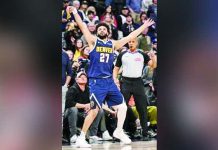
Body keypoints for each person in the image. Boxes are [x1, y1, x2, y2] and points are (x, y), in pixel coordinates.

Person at [70, 6, 154, 147]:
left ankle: (119, 131)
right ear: (97, 32)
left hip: (109, 81)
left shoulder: (113, 44)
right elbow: (82, 26)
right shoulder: (93, 41)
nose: (102, 30)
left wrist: (143, 26)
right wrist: (74, 12)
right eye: (99, 29)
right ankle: (81, 137)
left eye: (104, 29)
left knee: (123, 107)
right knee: (94, 111)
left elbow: (130, 36)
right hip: (97, 82)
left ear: (108, 32)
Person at [113, 38, 157, 141]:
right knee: (122, 107)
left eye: (133, 42)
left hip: (138, 82)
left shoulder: (142, 54)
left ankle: (145, 133)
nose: (131, 43)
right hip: (125, 82)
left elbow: (153, 65)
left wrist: (153, 56)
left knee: (142, 108)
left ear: (136, 43)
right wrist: (115, 79)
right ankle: (119, 132)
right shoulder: (122, 54)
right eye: (129, 42)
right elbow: (116, 68)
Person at [64, 71, 108, 144]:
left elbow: (95, 102)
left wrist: (90, 107)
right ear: (76, 79)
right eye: (81, 77)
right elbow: (69, 103)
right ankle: (73, 135)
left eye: (85, 77)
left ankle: (93, 135)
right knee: (73, 109)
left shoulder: (89, 89)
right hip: (72, 114)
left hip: (85, 113)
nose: (83, 78)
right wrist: (85, 105)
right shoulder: (72, 89)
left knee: (98, 110)